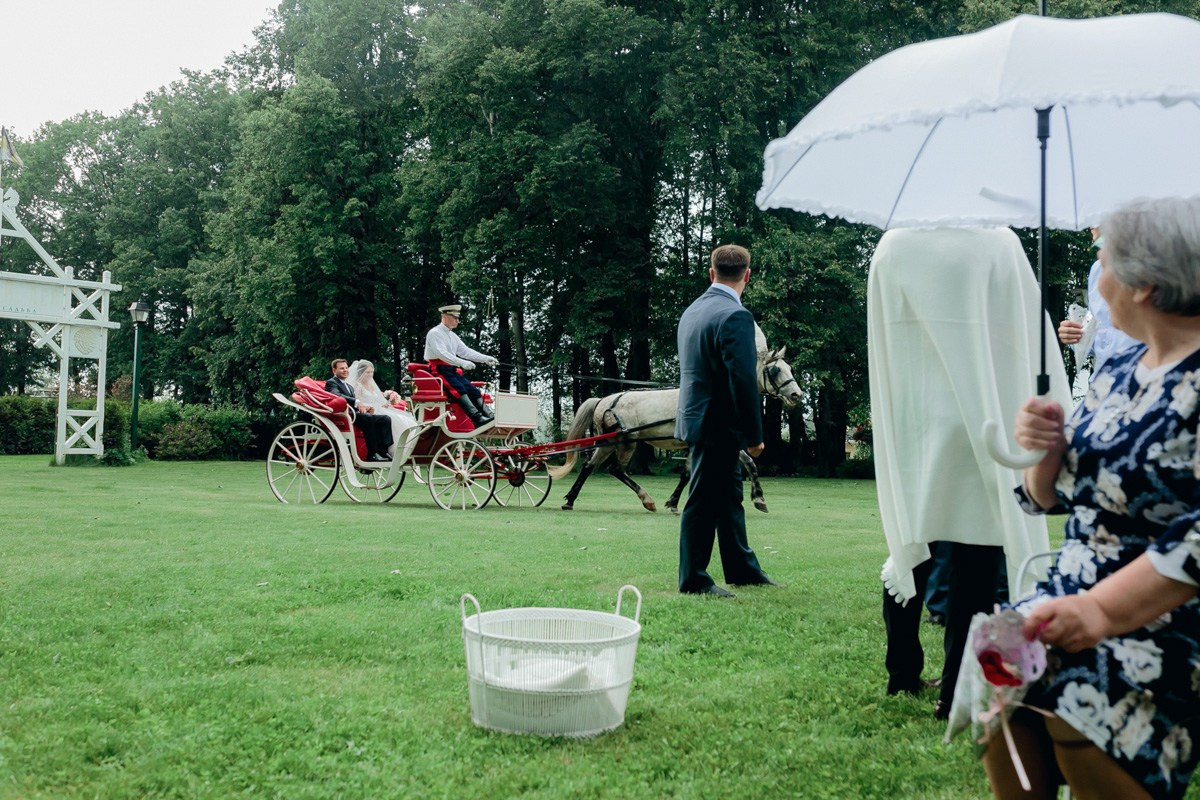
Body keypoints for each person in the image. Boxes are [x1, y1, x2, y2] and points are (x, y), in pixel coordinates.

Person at [983, 196, 1200, 800]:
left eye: (1103, 261)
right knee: (1002, 678)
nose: (1095, 283)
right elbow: (1051, 499)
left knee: (1073, 698)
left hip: (1164, 614)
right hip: (1071, 593)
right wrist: (1046, 454)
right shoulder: (1115, 371)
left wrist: (1101, 611)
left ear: (1146, 283)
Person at [868, 227, 1070, 718]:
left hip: (916, 417)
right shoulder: (998, 241)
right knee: (973, 562)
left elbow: (884, 335)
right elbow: (1023, 334)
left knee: (912, 545)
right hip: (981, 416)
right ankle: (953, 690)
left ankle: (902, 671)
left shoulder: (893, 244)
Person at [675, 244, 776, 598]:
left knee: (731, 497)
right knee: (702, 501)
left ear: (711, 272)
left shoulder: (692, 311)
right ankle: (693, 579)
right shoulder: (735, 316)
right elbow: (743, 380)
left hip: (697, 418)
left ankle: (743, 569)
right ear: (747, 275)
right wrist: (754, 435)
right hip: (718, 425)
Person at [1057, 226, 1141, 375]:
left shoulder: (1148, 269)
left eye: (1098, 217)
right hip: (1102, 378)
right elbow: (1100, 331)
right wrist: (1076, 335)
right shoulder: (1096, 269)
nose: (1091, 225)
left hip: (1138, 375)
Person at [423, 303, 498, 427]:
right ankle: (476, 418)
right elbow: (442, 354)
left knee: (472, 389)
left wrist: (485, 359)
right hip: (439, 369)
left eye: (458, 317)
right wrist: (462, 363)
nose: (458, 320)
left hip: (450, 369)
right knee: (458, 388)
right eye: (454, 317)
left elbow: (465, 351)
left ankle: (489, 415)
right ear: (444, 316)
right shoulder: (435, 333)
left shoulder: (452, 336)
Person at [347, 359, 419, 462]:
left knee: (404, 419)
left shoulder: (371, 385)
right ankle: (391, 450)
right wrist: (369, 407)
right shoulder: (358, 386)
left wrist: (390, 400)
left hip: (379, 408)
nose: (370, 374)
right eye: (367, 372)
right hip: (369, 409)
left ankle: (408, 448)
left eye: (371, 372)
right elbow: (359, 402)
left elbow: (379, 401)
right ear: (361, 372)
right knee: (393, 419)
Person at [325, 358, 393, 462]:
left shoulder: (348, 386)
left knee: (385, 419)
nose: (345, 370)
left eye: (346, 368)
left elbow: (356, 404)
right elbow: (337, 395)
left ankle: (382, 451)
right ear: (334, 371)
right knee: (368, 418)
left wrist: (366, 407)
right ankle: (372, 454)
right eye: (341, 368)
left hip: (355, 413)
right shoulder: (331, 383)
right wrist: (357, 402)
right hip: (345, 415)